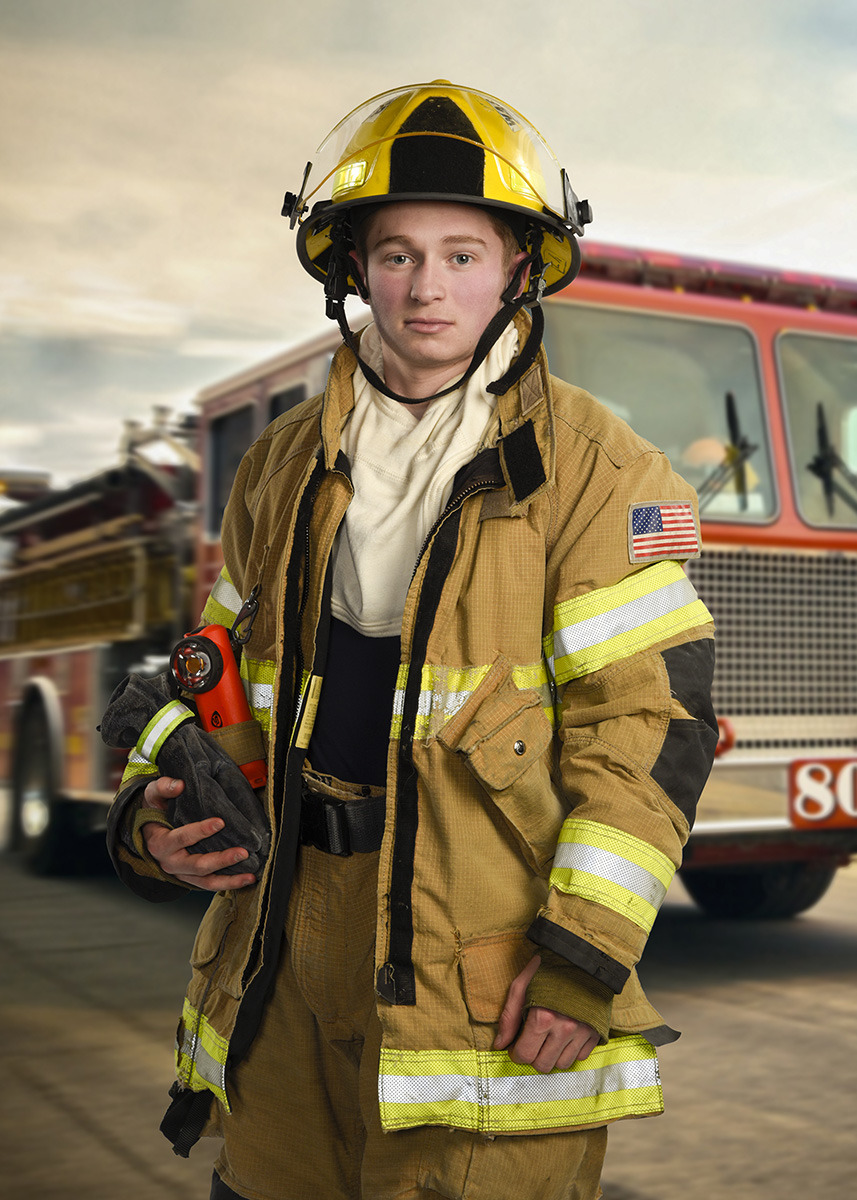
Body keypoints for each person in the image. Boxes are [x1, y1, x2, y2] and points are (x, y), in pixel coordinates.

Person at [106, 81, 717, 1200]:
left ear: (519, 267)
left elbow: (645, 728)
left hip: (480, 962)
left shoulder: (598, 470)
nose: (425, 287)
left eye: (460, 254)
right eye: (394, 255)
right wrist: (153, 818)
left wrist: (581, 956)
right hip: (278, 948)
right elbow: (218, 672)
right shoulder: (282, 463)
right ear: (352, 270)